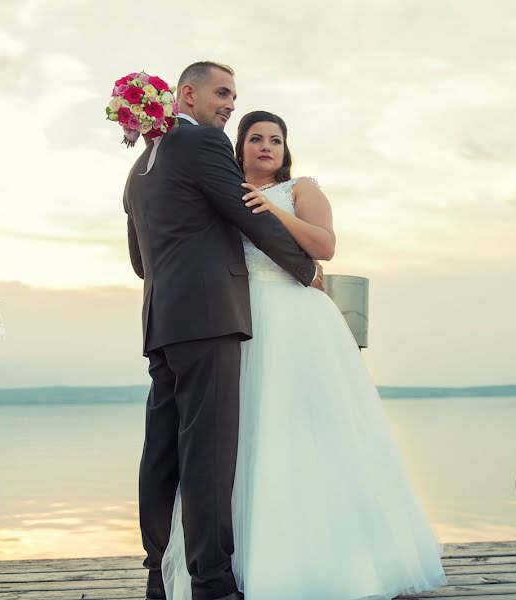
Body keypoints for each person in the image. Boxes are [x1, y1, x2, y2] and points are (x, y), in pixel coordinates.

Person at [161, 111, 447, 600]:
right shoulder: (221, 192)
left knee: (314, 431)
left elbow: (326, 247)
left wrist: (274, 212)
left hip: (298, 322)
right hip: (240, 322)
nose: (266, 147)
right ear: (239, 146)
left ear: (285, 148)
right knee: (247, 437)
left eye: (275, 139)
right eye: (255, 138)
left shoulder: (300, 189)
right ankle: (247, 563)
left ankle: (342, 561)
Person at [123, 64, 320, 600]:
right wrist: (308, 272)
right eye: (223, 92)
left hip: (162, 320)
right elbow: (247, 214)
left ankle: (157, 573)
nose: (231, 104)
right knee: (208, 452)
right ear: (188, 93)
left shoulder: (138, 170)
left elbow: (141, 262)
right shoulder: (203, 142)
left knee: (161, 450)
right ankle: (211, 581)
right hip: (209, 317)